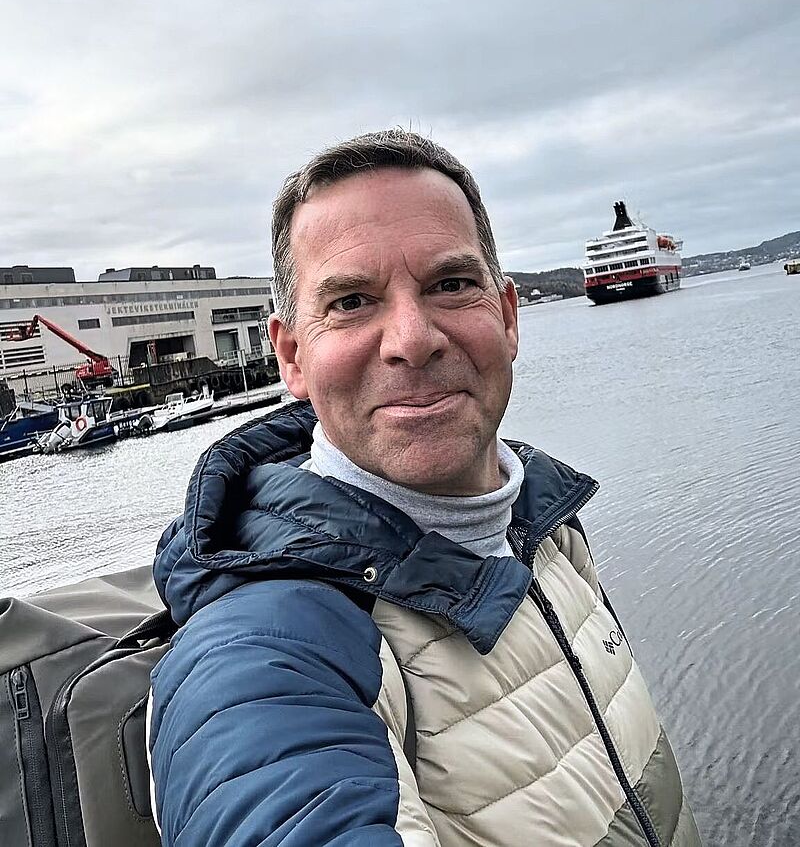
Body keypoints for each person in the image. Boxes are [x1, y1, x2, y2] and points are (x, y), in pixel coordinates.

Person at [148, 130, 701, 846]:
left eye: (450, 285)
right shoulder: (265, 654)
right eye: (351, 301)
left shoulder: (544, 521)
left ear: (507, 317)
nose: (412, 338)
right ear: (292, 357)